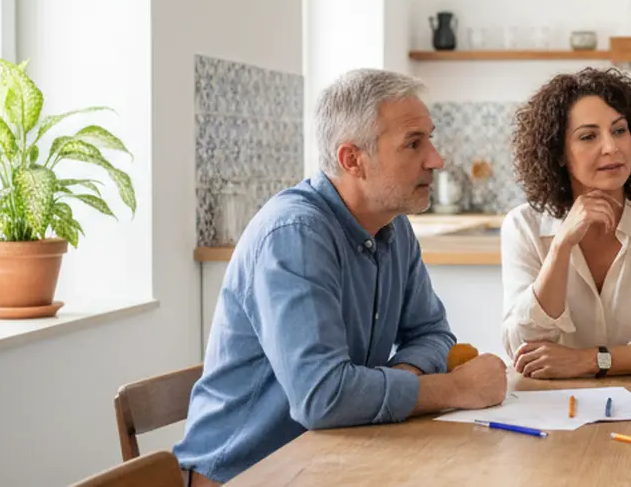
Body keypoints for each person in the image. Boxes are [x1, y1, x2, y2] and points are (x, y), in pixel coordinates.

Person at [174, 69, 508, 486]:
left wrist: (399, 379)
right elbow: (324, 397)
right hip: (249, 475)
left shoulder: (393, 226)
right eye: (413, 143)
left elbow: (432, 332)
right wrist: (454, 389)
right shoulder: (295, 235)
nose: (436, 160)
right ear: (352, 159)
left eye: (430, 139)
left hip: (336, 457)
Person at [500, 67, 631, 379]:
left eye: (619, 130)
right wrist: (561, 247)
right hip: (555, 401)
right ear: (558, 153)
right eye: (588, 136)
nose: (612, 147)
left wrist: (590, 360)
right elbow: (522, 347)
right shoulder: (523, 226)